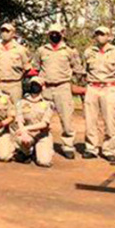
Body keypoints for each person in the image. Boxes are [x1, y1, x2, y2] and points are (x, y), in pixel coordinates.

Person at [32, 23, 83, 159]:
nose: (54, 35)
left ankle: (68, 146)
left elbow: (78, 68)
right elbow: (35, 68)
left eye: (57, 32)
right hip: (46, 88)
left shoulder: (70, 51)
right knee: (40, 117)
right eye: (51, 33)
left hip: (63, 88)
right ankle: (39, 143)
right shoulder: (41, 50)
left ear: (63, 33)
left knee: (66, 118)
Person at [82, 25, 115, 162]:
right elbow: (84, 71)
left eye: (103, 34)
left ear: (109, 36)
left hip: (109, 88)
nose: (100, 36)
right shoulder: (88, 52)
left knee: (110, 121)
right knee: (90, 120)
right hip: (92, 87)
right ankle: (91, 148)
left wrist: (113, 83)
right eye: (97, 34)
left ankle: (109, 149)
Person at [14, 77, 55, 167]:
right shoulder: (21, 102)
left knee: (44, 162)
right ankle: (27, 153)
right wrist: (23, 131)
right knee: (22, 138)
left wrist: (26, 128)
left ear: (42, 87)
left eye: (37, 84)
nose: (34, 86)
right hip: (27, 134)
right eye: (33, 84)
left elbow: (44, 123)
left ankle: (40, 150)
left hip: (42, 134)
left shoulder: (48, 104)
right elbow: (19, 120)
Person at [0, 22, 31, 103]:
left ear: (13, 33)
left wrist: (19, 77)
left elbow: (27, 68)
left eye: (7, 31)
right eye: (2, 31)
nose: (4, 33)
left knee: (16, 110)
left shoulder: (21, 50)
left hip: (14, 85)